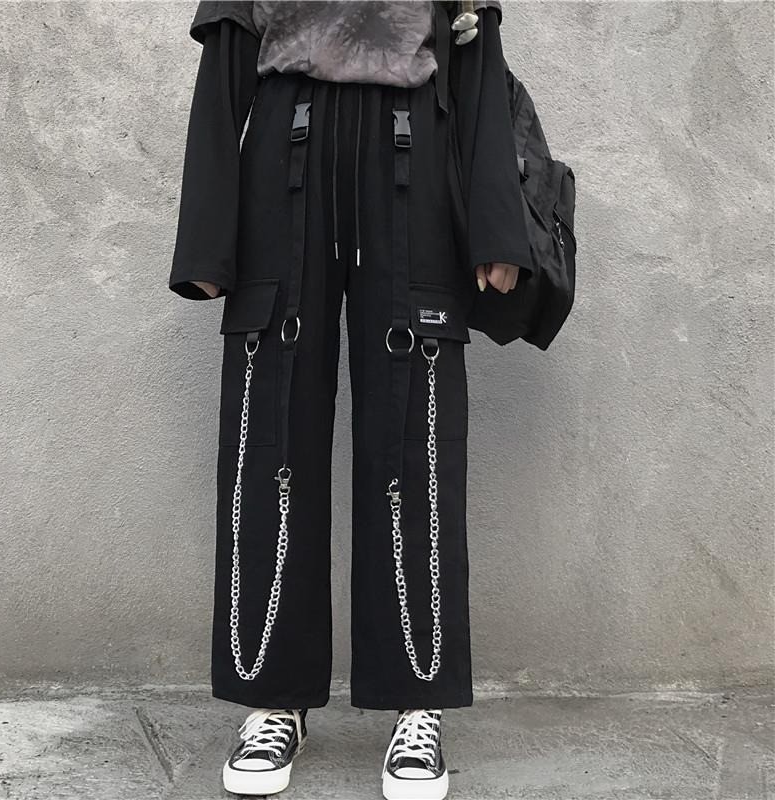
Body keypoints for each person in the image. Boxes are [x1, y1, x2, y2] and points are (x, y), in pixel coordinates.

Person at [168, 2, 532, 798]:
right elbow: (224, 60)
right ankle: (273, 698)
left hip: (413, 155)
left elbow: (477, 56)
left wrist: (497, 228)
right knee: (271, 429)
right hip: (283, 154)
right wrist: (207, 241)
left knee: (416, 428)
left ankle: (418, 700)